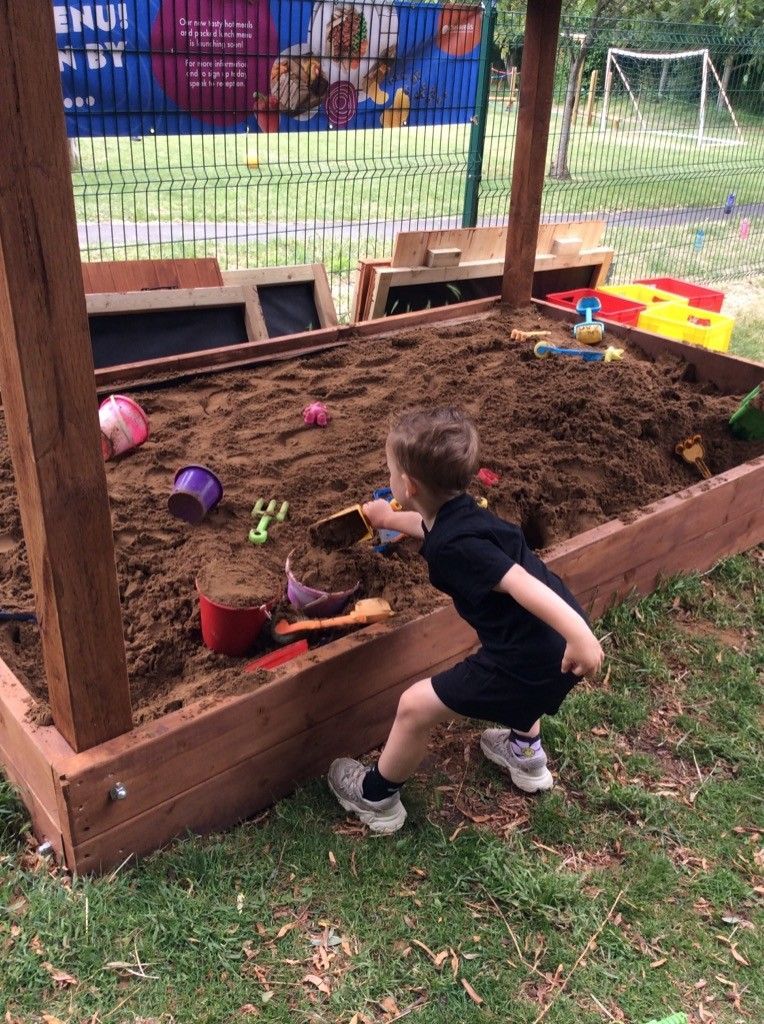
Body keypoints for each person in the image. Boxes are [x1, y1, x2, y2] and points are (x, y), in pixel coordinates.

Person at [327, 407, 603, 834]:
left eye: (390, 469)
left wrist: (581, 636)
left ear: (408, 485)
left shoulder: (459, 549)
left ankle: (376, 797)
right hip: (541, 643)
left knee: (414, 706)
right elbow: (430, 526)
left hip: (543, 650)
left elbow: (517, 584)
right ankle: (526, 754)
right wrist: (384, 518)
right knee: (510, 670)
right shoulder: (462, 515)